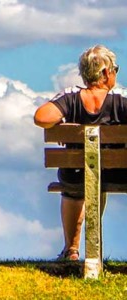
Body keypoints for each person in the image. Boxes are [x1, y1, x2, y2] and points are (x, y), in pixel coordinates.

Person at [34, 45, 127, 261]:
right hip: (117, 175)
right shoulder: (120, 99)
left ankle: (71, 250)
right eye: (115, 69)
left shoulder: (71, 98)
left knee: (78, 182)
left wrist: (63, 126)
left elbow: (41, 117)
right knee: (98, 175)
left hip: (76, 174)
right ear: (105, 72)